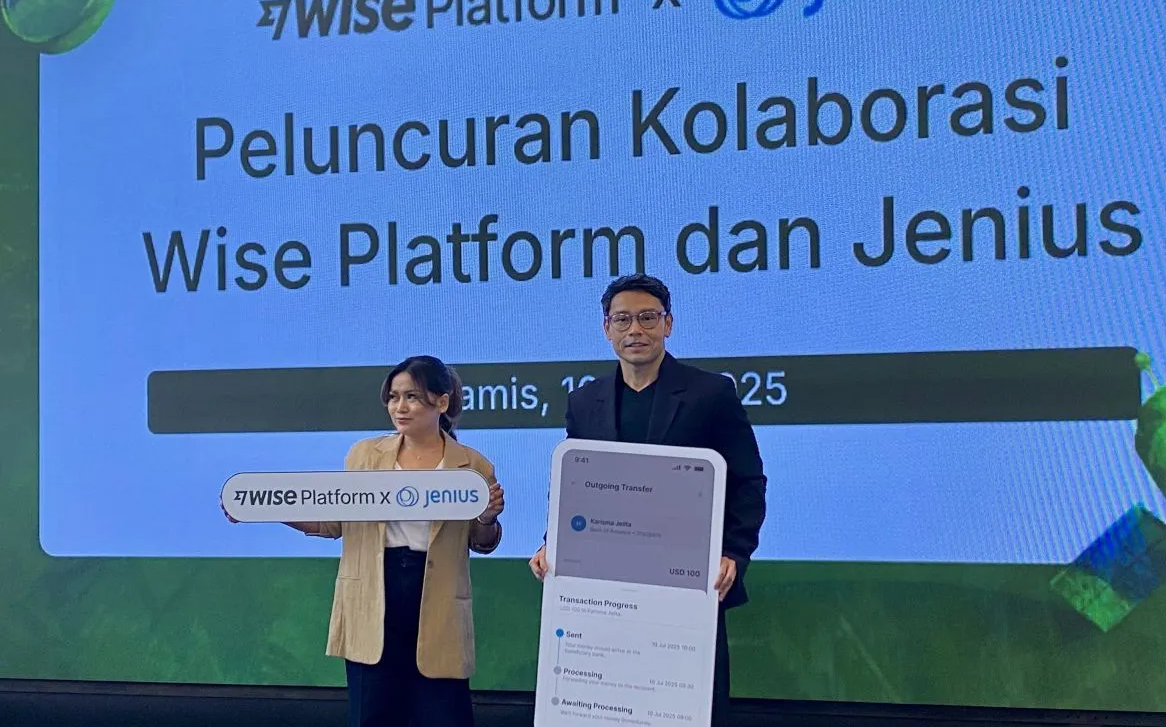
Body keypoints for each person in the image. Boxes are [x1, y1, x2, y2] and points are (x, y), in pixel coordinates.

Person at [528, 273, 767, 726]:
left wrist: (734, 553)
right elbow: (574, 485)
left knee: (689, 704)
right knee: (608, 702)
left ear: (668, 323)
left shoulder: (711, 393)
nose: (635, 329)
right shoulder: (584, 401)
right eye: (622, 320)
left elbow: (748, 481)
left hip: (687, 576)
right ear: (607, 328)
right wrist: (551, 543)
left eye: (647, 318)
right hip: (604, 581)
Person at [223, 355, 505, 727]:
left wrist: (487, 517)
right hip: (373, 592)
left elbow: (484, 541)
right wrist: (264, 508)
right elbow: (332, 523)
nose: (399, 407)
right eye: (393, 397)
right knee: (373, 713)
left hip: (436, 595)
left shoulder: (472, 465)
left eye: (412, 397)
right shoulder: (364, 455)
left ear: (442, 401)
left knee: (443, 714)